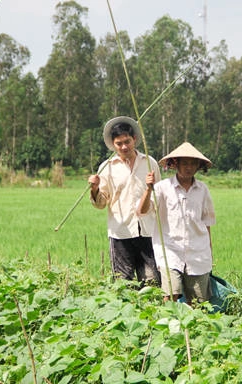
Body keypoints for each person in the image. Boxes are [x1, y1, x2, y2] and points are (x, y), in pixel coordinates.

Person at [138, 142, 216, 305]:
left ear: (198, 166)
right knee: (170, 295)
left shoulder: (203, 190)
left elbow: (207, 223)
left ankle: (194, 329)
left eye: (193, 163)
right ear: (175, 164)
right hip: (169, 250)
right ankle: (168, 327)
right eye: (185, 163)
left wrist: (209, 252)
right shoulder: (162, 188)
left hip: (197, 252)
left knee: (199, 302)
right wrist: (148, 189)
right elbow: (142, 211)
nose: (189, 167)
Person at [88, 116, 161, 285]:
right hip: (120, 232)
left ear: (134, 139)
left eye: (127, 141)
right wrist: (94, 188)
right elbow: (101, 203)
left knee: (151, 282)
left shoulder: (150, 163)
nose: (124, 147)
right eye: (119, 144)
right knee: (123, 284)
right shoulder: (107, 167)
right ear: (113, 145)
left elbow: (158, 196)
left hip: (148, 231)